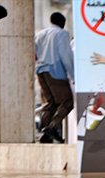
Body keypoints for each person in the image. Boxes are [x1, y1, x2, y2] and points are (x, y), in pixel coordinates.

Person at [35, 12, 74, 143]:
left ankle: (44, 134)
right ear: (62, 22)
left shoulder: (40, 34)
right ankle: (52, 127)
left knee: (51, 103)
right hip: (55, 72)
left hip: (41, 71)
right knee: (67, 102)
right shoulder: (62, 33)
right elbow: (65, 55)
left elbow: (34, 53)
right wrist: (73, 75)